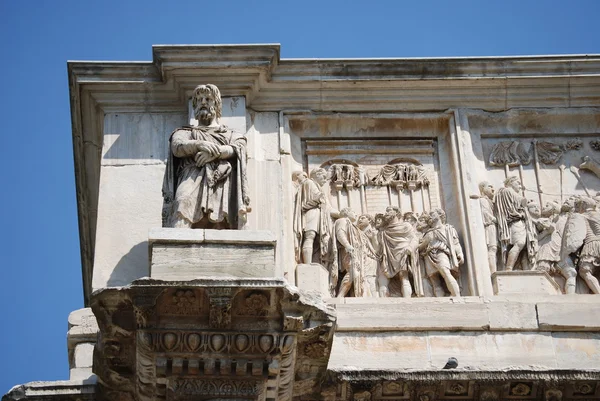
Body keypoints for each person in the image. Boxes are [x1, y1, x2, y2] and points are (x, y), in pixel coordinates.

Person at [162, 84, 250, 229]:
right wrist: (199, 144)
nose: (203, 102)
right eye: (199, 99)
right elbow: (177, 146)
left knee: (222, 220)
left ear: (217, 104)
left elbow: (239, 147)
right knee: (182, 201)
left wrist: (215, 153)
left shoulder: (229, 134)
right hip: (191, 176)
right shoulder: (185, 132)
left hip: (220, 180)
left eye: (208, 99)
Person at [329, 208, 375, 297]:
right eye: (354, 212)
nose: (356, 215)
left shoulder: (353, 226)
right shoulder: (342, 221)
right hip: (348, 252)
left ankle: (349, 295)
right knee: (352, 272)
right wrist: (348, 245)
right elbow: (340, 233)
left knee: (356, 274)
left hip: (355, 253)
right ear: (347, 213)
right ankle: (340, 296)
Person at [494, 176, 537, 271]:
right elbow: (520, 203)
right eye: (518, 183)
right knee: (520, 243)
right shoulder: (507, 191)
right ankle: (509, 268)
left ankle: (524, 268)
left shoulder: (510, 192)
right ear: (511, 182)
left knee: (524, 247)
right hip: (515, 221)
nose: (520, 186)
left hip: (520, 222)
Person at [418, 209, 463, 297]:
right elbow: (421, 246)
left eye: (432, 214)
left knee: (445, 271)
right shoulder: (428, 232)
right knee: (434, 281)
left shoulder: (448, 228)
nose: (430, 216)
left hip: (441, 252)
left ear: (440, 215)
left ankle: (456, 296)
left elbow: (455, 243)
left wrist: (460, 253)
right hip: (428, 255)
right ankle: (440, 300)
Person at [377, 206, 420, 298]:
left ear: (396, 212)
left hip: (402, 252)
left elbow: (414, 239)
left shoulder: (405, 225)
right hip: (387, 254)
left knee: (403, 277)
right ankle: (383, 303)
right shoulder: (384, 230)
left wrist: (410, 247)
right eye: (386, 211)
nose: (386, 213)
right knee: (382, 278)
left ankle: (407, 301)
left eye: (389, 211)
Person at [292, 168, 332, 264]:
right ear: (317, 175)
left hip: (316, 213)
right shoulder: (310, 183)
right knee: (310, 236)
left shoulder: (315, 185)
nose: (325, 180)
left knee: (315, 239)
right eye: (324, 177)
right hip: (311, 212)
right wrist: (322, 197)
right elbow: (315, 198)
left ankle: (311, 261)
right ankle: (307, 264)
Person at [479, 182, 498, 274]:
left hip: (492, 225)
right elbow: (485, 213)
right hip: (489, 226)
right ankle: (493, 272)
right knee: (492, 248)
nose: (493, 189)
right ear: (483, 188)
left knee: (494, 249)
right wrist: (494, 219)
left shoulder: (489, 201)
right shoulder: (483, 200)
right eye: (490, 186)